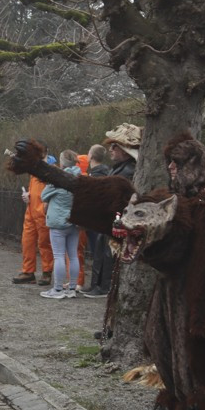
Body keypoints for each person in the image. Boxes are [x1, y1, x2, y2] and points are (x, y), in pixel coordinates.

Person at [80, 124, 139, 298]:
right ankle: (97, 284)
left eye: (115, 146)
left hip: (116, 218)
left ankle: (104, 286)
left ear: (124, 149)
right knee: (100, 250)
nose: (110, 150)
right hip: (109, 217)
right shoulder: (118, 168)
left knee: (108, 252)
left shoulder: (129, 169)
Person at [40, 150, 83, 298]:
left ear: (62, 162)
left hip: (58, 222)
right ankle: (71, 288)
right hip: (74, 221)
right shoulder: (80, 178)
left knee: (58, 255)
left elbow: (43, 195)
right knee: (73, 256)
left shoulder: (58, 179)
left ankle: (57, 289)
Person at [13, 143, 54, 286]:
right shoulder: (34, 170)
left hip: (42, 211)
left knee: (45, 243)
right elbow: (34, 189)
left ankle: (47, 272)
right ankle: (28, 271)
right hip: (31, 210)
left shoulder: (51, 170)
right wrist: (28, 195)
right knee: (27, 241)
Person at [79, 144, 110, 297]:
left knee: (98, 252)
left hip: (96, 220)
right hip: (98, 219)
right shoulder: (104, 173)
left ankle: (99, 285)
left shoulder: (96, 176)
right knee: (97, 252)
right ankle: (95, 284)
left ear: (91, 156)